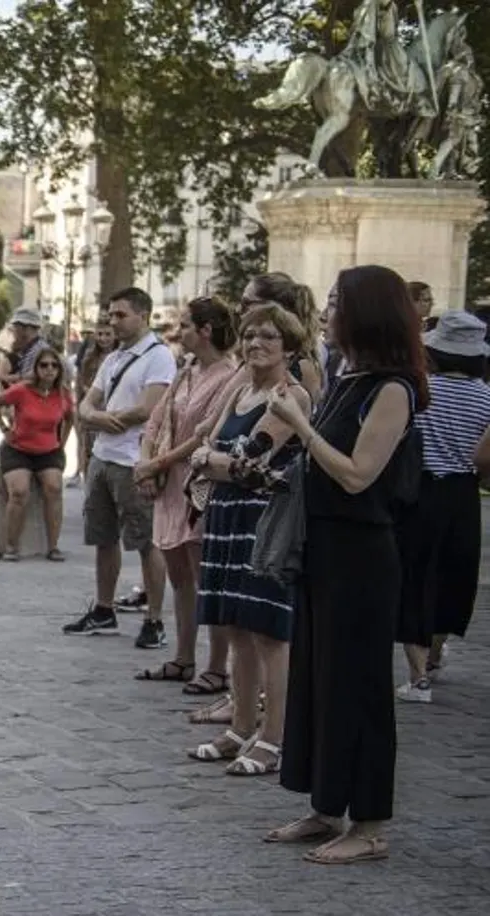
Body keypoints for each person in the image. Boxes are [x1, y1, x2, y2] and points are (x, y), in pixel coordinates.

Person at [263, 265, 426, 865]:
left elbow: (359, 474)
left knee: (357, 686)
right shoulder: (348, 379)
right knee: (319, 679)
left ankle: (371, 823)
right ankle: (326, 805)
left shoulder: (392, 388)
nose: (326, 313)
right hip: (325, 548)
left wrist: (302, 426)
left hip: (362, 553)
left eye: (335, 303)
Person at [184, 301, 312, 773]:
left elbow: (244, 461)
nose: (257, 344)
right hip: (228, 514)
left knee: (268, 633)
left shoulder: (289, 396)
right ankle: (239, 727)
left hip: (266, 522)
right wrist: (212, 458)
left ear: (290, 347)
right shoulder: (241, 389)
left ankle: (273, 738)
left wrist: (211, 459)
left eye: (269, 337)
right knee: (236, 627)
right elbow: (209, 445)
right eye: (251, 335)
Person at [134, 297, 240, 690]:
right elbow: (157, 419)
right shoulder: (186, 370)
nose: (180, 332)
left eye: (186, 324)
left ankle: (216, 666)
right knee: (179, 575)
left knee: (204, 575)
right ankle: (183, 657)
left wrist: (157, 465)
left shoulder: (230, 376)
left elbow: (205, 434)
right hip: (168, 482)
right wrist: (147, 461)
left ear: (206, 330)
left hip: (197, 483)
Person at [62, 288, 177, 648]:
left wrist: (104, 417)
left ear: (143, 315)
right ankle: (104, 608)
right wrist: (99, 417)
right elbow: (85, 405)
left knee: (146, 541)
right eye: (111, 315)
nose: (113, 321)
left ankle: (154, 618)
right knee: (103, 537)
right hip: (103, 456)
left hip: (133, 460)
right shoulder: (113, 358)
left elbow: (148, 408)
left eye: (121, 315)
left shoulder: (158, 357)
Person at [393, 311, 490, 702]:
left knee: (415, 578)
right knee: (454, 576)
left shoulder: (420, 391)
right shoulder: (488, 397)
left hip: (419, 493)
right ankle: (434, 654)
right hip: (464, 495)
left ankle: (417, 677)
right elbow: (485, 461)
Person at [0, 348, 74, 560]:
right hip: (18, 449)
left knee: (54, 487)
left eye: (54, 366)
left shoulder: (62, 394)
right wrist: (5, 429)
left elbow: (71, 417)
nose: (49, 370)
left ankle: (53, 547)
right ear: (36, 368)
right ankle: (11, 546)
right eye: (44, 365)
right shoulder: (22, 390)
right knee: (19, 491)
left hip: (48, 450)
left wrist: (62, 441)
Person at [240, 273, 325, 406]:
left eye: (246, 304)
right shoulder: (249, 370)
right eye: (249, 336)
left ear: (271, 306)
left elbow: (309, 416)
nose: (239, 310)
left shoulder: (303, 367)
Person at [69, 323, 117, 484]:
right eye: (100, 334)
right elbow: (80, 380)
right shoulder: (89, 356)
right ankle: (86, 479)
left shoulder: (121, 356)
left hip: (112, 408)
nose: (103, 338)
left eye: (107, 334)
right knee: (87, 445)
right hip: (91, 406)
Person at [0, 307, 51, 386]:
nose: (14, 331)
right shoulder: (30, 349)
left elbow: (35, 378)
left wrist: (7, 378)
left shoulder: (39, 351)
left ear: (27, 328)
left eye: (16, 327)